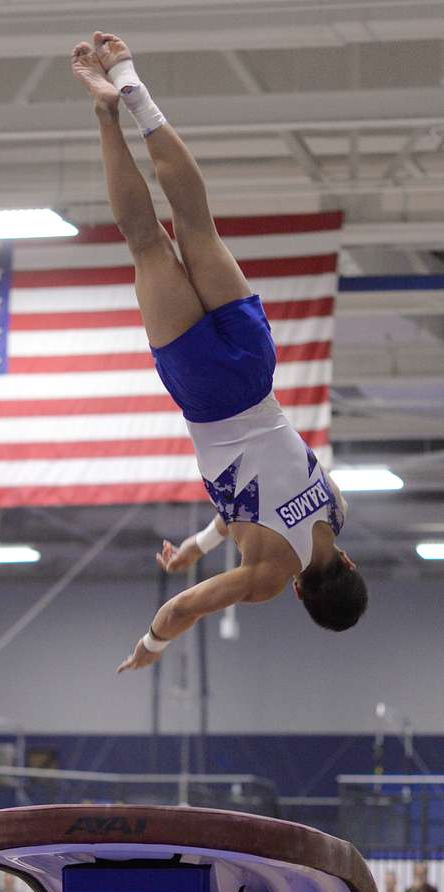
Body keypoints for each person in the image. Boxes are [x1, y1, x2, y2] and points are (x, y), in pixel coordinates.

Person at [69, 31, 368, 673]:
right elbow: (180, 612)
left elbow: (255, 495)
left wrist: (202, 545)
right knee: (148, 244)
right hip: (206, 393)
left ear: (346, 562)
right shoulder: (265, 576)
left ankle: (131, 85)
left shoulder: (337, 508)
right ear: (299, 592)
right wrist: (150, 646)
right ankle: (103, 111)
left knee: (197, 225)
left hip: (256, 370)